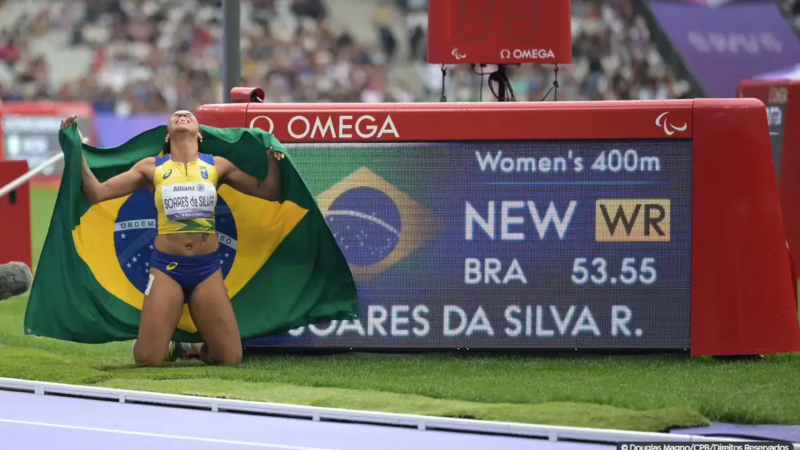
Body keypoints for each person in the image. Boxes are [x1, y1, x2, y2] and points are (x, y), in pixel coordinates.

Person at [60, 111, 285, 366]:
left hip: (207, 269)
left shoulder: (217, 166)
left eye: (188, 114)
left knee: (230, 358)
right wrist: (75, 148)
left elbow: (270, 191)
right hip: (167, 269)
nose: (181, 114)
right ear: (167, 135)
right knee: (148, 360)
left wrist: (273, 159)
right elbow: (98, 193)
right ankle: (167, 343)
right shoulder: (151, 167)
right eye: (176, 115)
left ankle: (193, 345)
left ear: (200, 134)